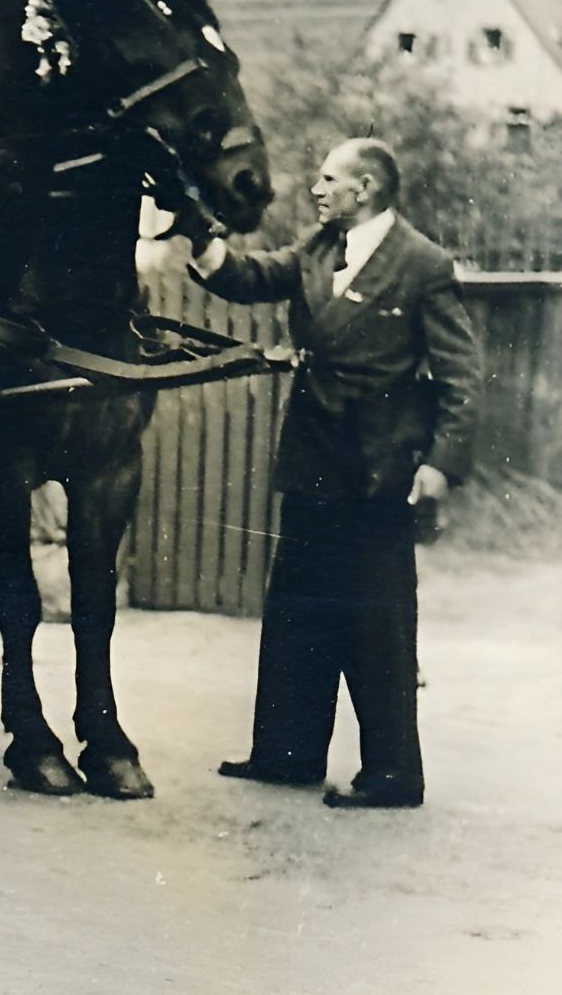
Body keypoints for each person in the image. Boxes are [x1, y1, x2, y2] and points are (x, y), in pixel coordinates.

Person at [189, 137, 481, 810]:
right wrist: (200, 236)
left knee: (378, 620)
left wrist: (441, 462)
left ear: (366, 187)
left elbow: (462, 376)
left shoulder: (422, 263)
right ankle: (286, 753)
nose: (317, 190)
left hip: (379, 469)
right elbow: (252, 276)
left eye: (329, 179)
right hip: (314, 457)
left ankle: (393, 775)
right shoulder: (321, 246)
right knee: (297, 607)